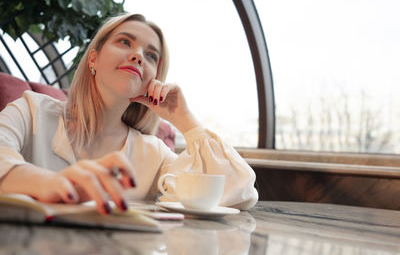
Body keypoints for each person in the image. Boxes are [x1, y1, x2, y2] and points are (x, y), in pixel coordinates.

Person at [0, 13, 258, 215]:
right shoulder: (31, 111)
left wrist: (185, 120)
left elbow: (239, 191)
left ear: (153, 77)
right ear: (93, 59)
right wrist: (54, 185)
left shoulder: (152, 154)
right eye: (125, 42)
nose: (137, 56)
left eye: (151, 55)